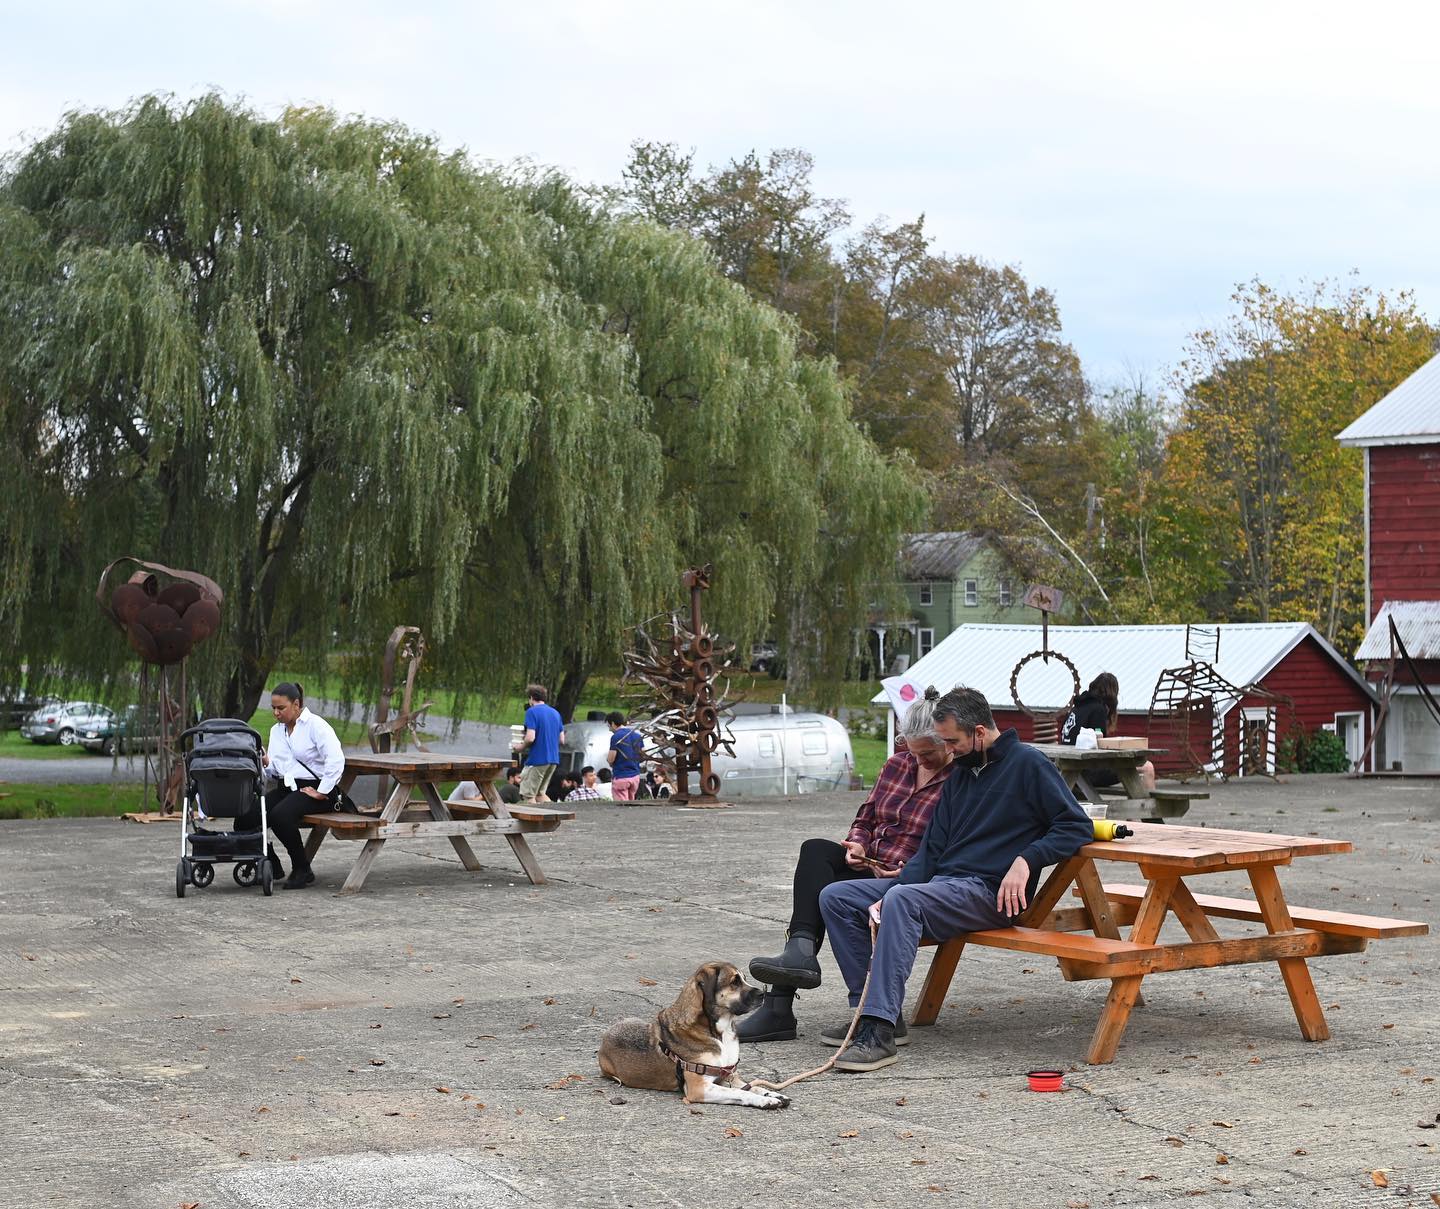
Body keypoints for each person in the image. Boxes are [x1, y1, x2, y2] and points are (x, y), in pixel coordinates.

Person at [817, 686, 1092, 1072]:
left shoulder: (1029, 764)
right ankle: (873, 1013)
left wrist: (1026, 860)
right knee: (837, 897)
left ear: (979, 732)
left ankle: (878, 1031)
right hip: (943, 887)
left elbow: (1076, 826)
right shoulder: (962, 773)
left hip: (989, 892)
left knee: (903, 901)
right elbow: (931, 848)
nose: (947, 750)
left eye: (952, 741)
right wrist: (897, 887)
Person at [739, 688, 954, 1043]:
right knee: (815, 852)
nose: (920, 761)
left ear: (947, 741)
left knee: (827, 894)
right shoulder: (898, 764)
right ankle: (799, 953)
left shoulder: (958, 781)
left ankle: (780, 1006)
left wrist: (910, 871)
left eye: (928, 754)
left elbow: (948, 845)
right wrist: (858, 843)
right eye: (914, 752)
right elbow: (866, 817)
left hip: (908, 876)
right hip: (870, 862)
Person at [245, 682, 346, 890]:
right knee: (246, 819)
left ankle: (302, 869)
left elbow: (336, 760)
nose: (276, 713)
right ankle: (270, 863)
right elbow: (278, 769)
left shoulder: (316, 726)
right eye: (273, 708)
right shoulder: (277, 731)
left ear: (296, 704)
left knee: (280, 816)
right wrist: (267, 763)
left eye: (281, 708)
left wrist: (322, 791)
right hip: (287, 788)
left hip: (316, 790)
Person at [1059, 672, 1155, 791]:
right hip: (1086, 773)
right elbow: (1100, 749)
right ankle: (1151, 803)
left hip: (1069, 769)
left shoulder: (1077, 708)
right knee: (1147, 767)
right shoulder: (1098, 710)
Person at [517, 684, 565, 802]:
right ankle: (554, 813)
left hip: (538, 759)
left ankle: (533, 815)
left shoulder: (532, 712)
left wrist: (520, 747)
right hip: (553, 760)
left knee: (528, 795)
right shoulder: (555, 713)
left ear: (531, 698)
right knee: (540, 794)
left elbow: (530, 738)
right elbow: (562, 740)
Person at [606, 712, 645, 801]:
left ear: (613, 723)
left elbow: (611, 759)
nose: (609, 729)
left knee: (622, 805)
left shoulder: (616, 737)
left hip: (621, 776)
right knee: (631, 803)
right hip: (635, 776)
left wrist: (609, 761)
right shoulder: (637, 735)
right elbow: (643, 755)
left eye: (609, 726)